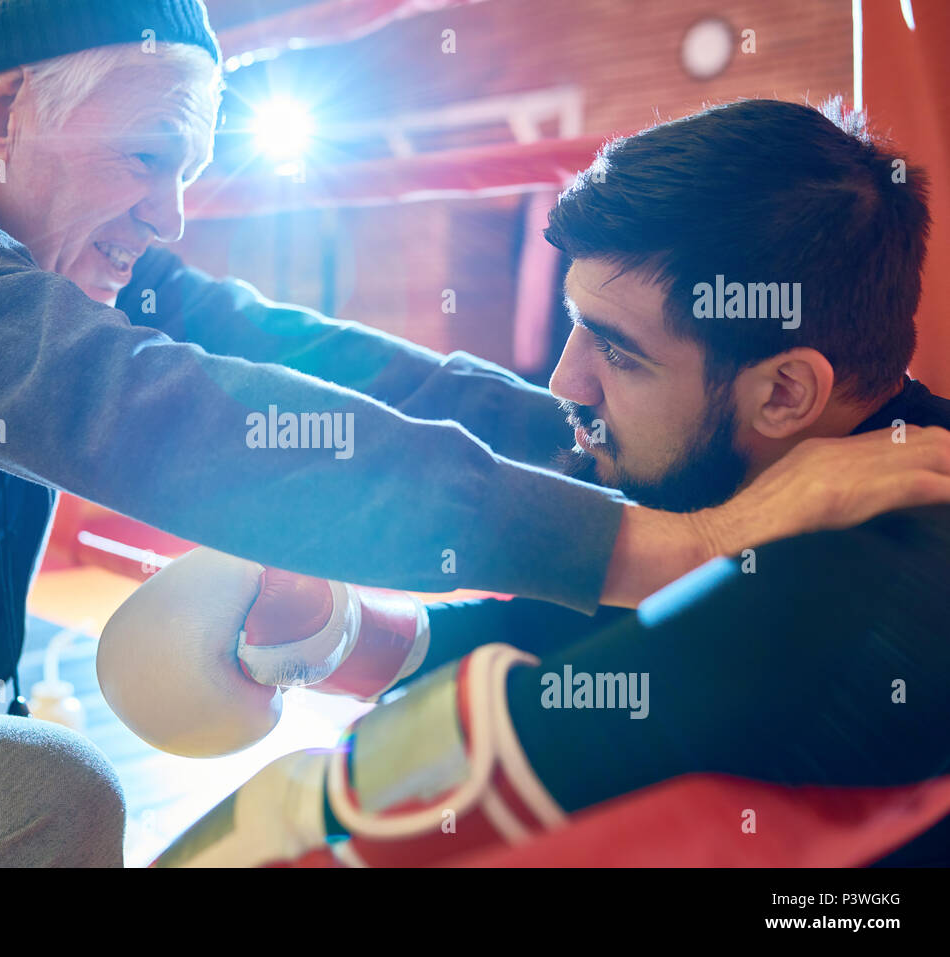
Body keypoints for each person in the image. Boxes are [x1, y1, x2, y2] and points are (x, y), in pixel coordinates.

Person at [0, 0, 944, 867]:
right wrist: (667, 546)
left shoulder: (43, 229)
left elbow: (294, 358)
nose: (170, 214)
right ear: (1, 119)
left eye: (191, 171)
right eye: (150, 155)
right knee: (60, 794)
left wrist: (583, 464)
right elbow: (171, 420)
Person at [104, 99, 950, 867]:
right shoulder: (763, 472)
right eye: (575, 327)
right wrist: (345, 632)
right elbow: (582, 636)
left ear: (784, 391)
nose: (565, 382)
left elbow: (354, 824)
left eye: (617, 350)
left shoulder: (869, 586)